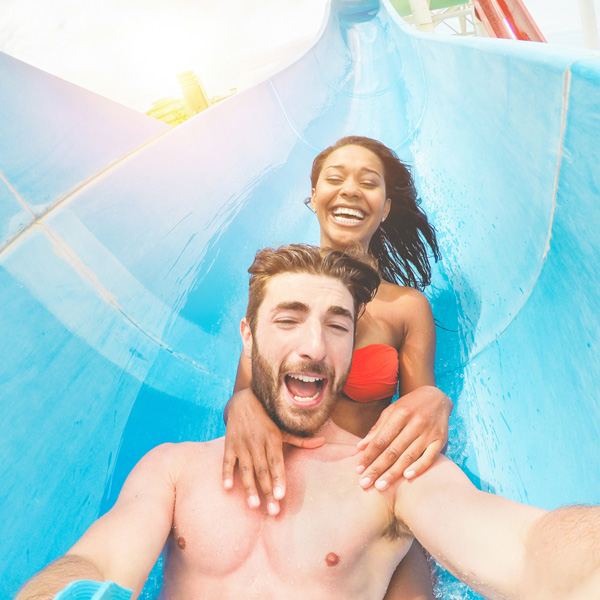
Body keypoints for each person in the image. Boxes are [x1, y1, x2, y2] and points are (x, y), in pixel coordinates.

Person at [17, 245, 600, 600]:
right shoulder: (175, 470)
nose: (315, 346)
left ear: (353, 346)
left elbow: (526, 548)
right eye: (289, 319)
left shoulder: (388, 474)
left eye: (338, 325)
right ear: (248, 335)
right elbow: (95, 561)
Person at [223, 136, 453, 598]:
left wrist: (435, 401)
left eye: (368, 183)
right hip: (287, 481)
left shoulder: (406, 309)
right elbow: (244, 395)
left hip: (368, 487)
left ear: (385, 208)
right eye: (334, 178)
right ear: (313, 198)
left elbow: (418, 416)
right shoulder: (280, 287)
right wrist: (241, 406)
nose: (349, 189)